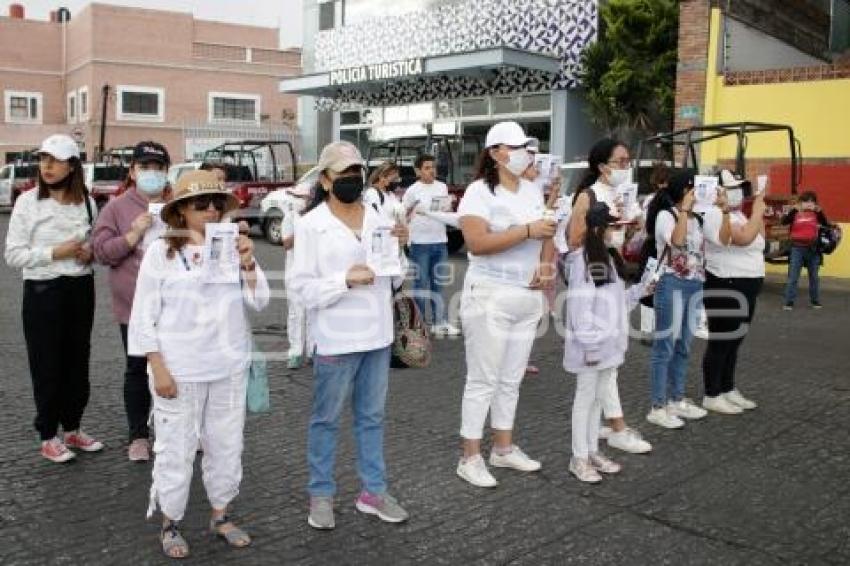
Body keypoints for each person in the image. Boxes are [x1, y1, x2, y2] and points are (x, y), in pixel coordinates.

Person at [128, 170, 269, 558]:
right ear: (181, 211)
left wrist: (247, 262)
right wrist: (157, 366)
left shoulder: (232, 247)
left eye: (216, 203)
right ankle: (170, 521)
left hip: (227, 367)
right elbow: (143, 315)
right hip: (180, 368)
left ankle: (221, 515)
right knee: (176, 448)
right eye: (199, 203)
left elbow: (259, 302)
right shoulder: (161, 250)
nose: (210, 210)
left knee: (227, 445)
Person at [289, 141, 410, 530]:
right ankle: (320, 493)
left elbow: (395, 276)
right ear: (325, 180)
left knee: (371, 418)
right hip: (336, 339)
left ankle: (372, 491)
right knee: (325, 420)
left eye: (357, 171)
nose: (353, 179)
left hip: (377, 335)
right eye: (343, 173)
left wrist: (401, 248)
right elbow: (300, 288)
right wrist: (344, 279)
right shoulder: (310, 225)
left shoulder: (378, 216)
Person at [454, 121, 556, 488]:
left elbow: (547, 230)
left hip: (526, 296)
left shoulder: (532, 189)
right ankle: (469, 456)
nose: (526, 154)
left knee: (511, 379)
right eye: (516, 148)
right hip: (489, 293)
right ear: (496, 152)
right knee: (483, 379)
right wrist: (525, 231)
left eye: (527, 147)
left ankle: (503, 447)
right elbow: (477, 243)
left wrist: (546, 265)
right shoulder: (478, 193)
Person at [4, 134, 103, 463]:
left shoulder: (86, 202)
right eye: (44, 158)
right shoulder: (27, 202)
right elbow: (14, 255)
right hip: (43, 292)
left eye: (56, 159)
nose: (47, 165)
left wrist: (89, 254)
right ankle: (48, 435)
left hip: (80, 289)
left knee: (77, 362)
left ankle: (73, 428)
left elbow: (92, 246)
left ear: (72, 166)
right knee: (47, 364)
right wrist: (55, 252)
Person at [563, 139, 652, 455]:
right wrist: (601, 230)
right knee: (594, 376)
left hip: (611, 270)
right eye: (621, 161)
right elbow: (573, 241)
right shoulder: (589, 196)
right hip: (593, 270)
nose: (626, 166)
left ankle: (601, 434)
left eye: (628, 161)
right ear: (602, 166)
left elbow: (629, 241)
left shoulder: (624, 194)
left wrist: (630, 228)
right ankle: (605, 434)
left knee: (608, 370)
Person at [92, 141, 172, 462]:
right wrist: (133, 234)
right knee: (137, 369)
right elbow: (101, 252)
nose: (152, 174)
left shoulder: (177, 204)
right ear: (133, 171)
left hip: (174, 308)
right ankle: (138, 435)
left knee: (174, 368)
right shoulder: (116, 207)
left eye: (158, 168)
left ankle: (172, 430)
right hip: (132, 308)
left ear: (166, 173)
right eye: (145, 167)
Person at [645, 172, 709, 429]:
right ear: (685, 190)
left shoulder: (699, 219)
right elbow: (678, 241)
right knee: (665, 346)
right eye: (695, 189)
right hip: (671, 283)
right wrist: (683, 211)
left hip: (695, 284)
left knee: (684, 344)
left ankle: (676, 398)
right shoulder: (666, 216)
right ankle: (658, 405)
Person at [700, 169, 765, 415]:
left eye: (740, 187)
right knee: (722, 340)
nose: (738, 192)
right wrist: (758, 211)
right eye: (731, 187)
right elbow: (744, 238)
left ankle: (727, 387)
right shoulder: (715, 214)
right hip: (726, 282)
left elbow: (760, 238)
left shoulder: (739, 214)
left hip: (749, 282)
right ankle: (712, 393)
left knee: (736, 339)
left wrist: (756, 214)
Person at [402, 154, 460, 336]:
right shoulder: (412, 190)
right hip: (419, 243)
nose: (432, 170)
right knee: (420, 285)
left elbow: (446, 211)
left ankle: (439, 322)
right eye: (427, 167)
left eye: (433, 167)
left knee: (438, 285)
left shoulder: (442, 186)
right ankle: (419, 326)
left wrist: (449, 205)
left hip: (440, 241)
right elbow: (403, 214)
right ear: (418, 171)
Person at [281, 182, 313, 369]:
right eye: (297, 197)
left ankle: (311, 351)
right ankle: (294, 352)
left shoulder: (314, 217)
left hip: (311, 272)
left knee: (311, 312)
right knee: (296, 313)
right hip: (293, 272)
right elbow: (286, 243)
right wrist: (301, 232)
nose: (299, 201)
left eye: (302, 197)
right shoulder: (289, 217)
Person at [782, 191, 829, 310]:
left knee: (814, 276)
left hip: (813, 248)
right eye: (806, 201)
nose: (808, 204)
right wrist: (794, 210)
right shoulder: (795, 213)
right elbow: (784, 221)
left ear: (815, 203)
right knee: (793, 276)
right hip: (797, 248)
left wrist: (820, 211)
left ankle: (815, 301)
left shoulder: (816, 214)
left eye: (811, 201)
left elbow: (825, 223)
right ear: (800, 203)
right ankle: (789, 302)